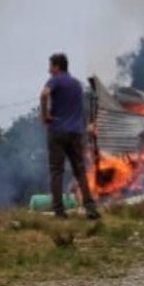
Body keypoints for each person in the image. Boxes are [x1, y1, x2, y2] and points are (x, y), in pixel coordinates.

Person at [40, 53, 99, 219]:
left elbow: (44, 94)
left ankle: (59, 212)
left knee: (56, 171)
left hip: (58, 131)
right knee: (80, 171)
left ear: (57, 67)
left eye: (50, 66)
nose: (49, 70)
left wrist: (45, 115)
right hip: (75, 133)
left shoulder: (55, 80)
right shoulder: (77, 84)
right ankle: (90, 208)